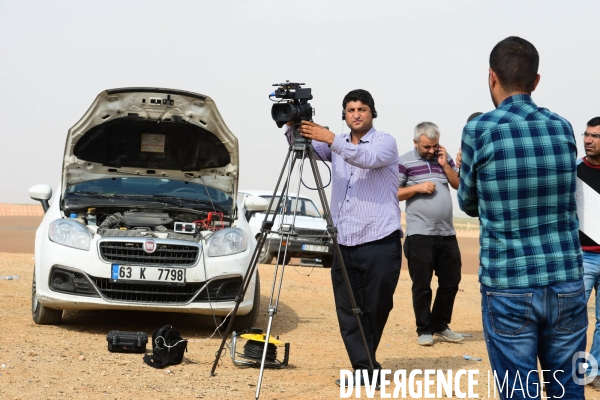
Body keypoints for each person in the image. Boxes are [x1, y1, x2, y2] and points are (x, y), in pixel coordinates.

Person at [457, 36, 586, 399]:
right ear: (536, 80)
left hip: (509, 282)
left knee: (519, 392)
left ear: (491, 77)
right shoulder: (562, 127)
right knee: (568, 391)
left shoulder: (479, 129)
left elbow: (467, 202)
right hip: (565, 280)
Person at [286, 89, 402, 386]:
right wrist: (293, 126)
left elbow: (366, 158)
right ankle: (364, 369)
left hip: (379, 239)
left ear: (372, 112)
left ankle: (365, 365)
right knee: (349, 310)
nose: (356, 114)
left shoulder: (384, 142)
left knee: (376, 306)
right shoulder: (334, 145)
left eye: (362, 108)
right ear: (344, 115)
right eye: (350, 110)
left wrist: (330, 138)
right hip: (344, 240)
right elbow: (307, 150)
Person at [398, 122, 462, 346]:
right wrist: (417, 188)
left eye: (435, 146)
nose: (431, 151)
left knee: (451, 282)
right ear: (415, 142)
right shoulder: (404, 161)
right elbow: (393, 193)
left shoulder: (443, 158)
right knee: (422, 285)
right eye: (426, 147)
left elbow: (458, 185)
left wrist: (445, 166)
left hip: (447, 233)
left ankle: (441, 325)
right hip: (419, 234)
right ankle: (423, 329)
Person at [580, 117, 600, 390]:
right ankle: (566, 373)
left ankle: (592, 371)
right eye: (586, 134)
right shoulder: (574, 172)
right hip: (581, 257)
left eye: (594, 136)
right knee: (571, 319)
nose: (587, 140)